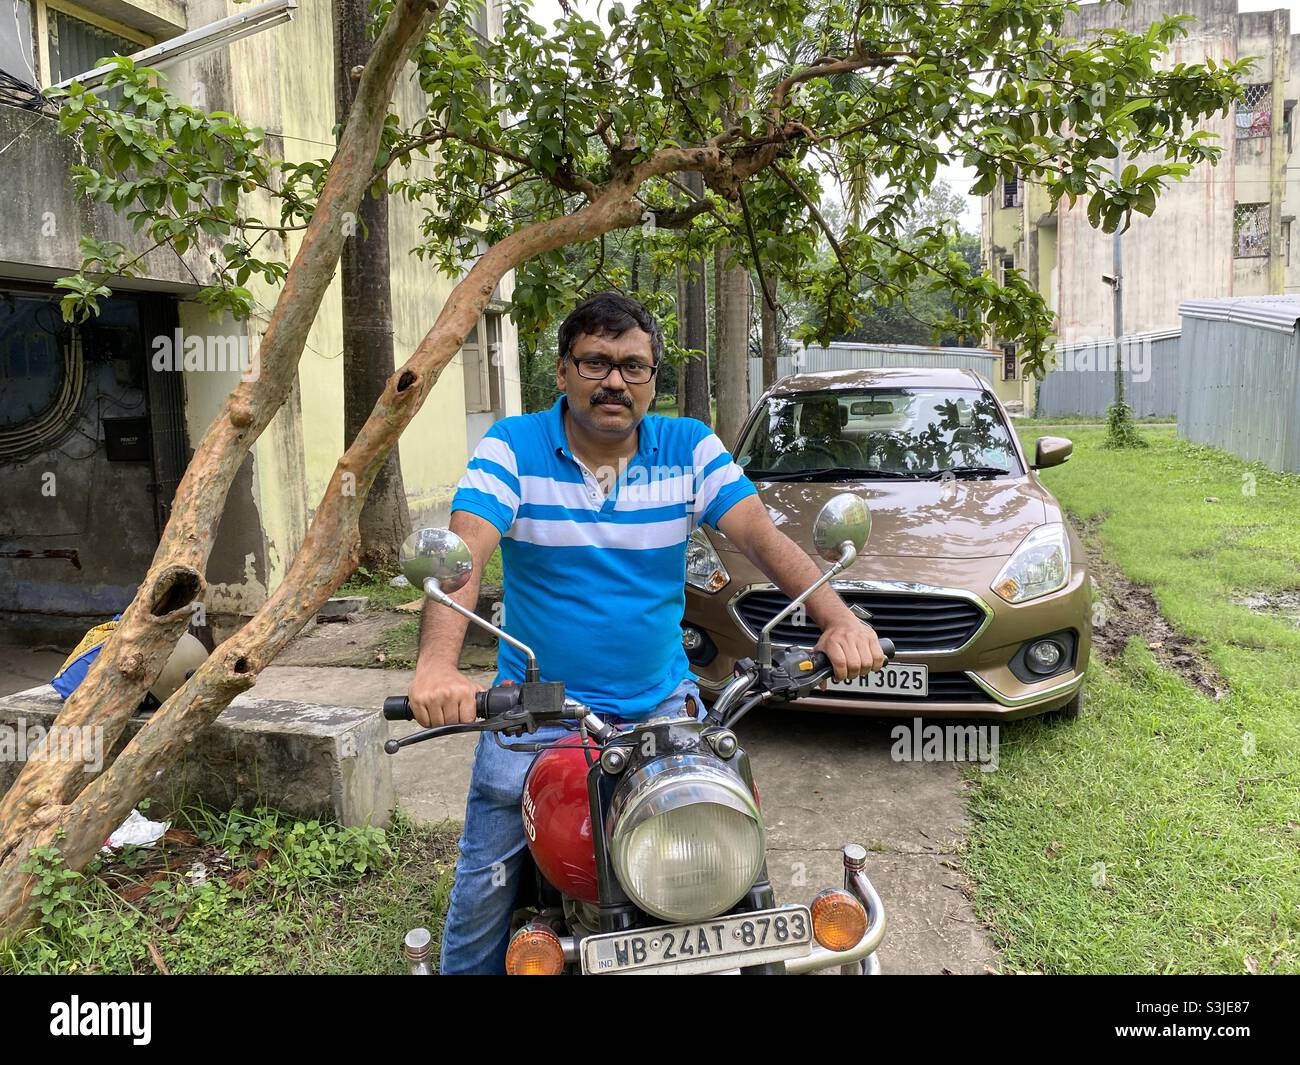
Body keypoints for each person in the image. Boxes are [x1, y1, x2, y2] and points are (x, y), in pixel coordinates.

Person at [409, 291, 886, 973]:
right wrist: (437, 666)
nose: (614, 381)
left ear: (653, 379)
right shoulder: (512, 448)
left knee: (732, 853)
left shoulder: (688, 448)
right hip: (537, 711)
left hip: (663, 706)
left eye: (634, 366)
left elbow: (759, 535)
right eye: (596, 362)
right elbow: (465, 549)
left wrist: (838, 618)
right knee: (485, 883)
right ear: (564, 371)